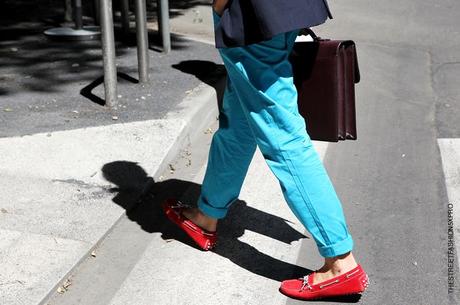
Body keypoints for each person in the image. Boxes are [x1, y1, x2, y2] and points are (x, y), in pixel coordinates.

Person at [162, 0, 369, 300]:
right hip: (280, 11)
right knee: (239, 122)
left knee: (284, 138)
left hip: (251, 19)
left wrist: (220, 10)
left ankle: (340, 262)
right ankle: (206, 215)